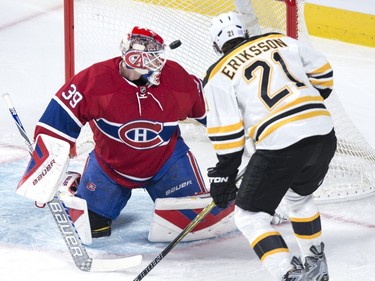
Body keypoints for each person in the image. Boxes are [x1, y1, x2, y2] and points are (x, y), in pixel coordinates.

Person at [28, 26, 212, 239]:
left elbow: (214, 113)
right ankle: (72, 184)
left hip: (166, 163)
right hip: (111, 168)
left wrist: (250, 132)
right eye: (153, 58)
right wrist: (44, 175)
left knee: (194, 225)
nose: (160, 63)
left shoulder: (176, 78)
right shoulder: (94, 81)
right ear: (137, 59)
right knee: (92, 228)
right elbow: (54, 125)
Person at [204, 12, 336, 281]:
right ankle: (315, 263)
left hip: (281, 144)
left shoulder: (218, 74)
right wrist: (305, 107)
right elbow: (324, 74)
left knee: (249, 217)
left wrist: (224, 175)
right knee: (299, 200)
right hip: (323, 132)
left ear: (216, 46)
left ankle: (289, 274)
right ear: (247, 33)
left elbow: (228, 133)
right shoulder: (281, 40)